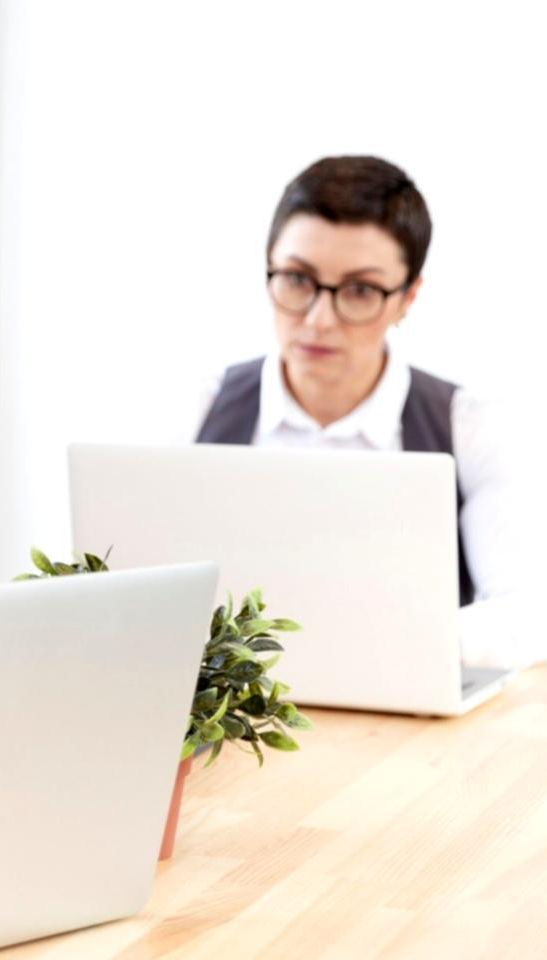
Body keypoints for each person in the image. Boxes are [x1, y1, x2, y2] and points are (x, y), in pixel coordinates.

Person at [197, 155, 546, 668]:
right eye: (297, 279)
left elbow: (527, 611)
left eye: (359, 290)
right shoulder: (200, 406)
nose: (318, 320)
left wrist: (379, 649)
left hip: (409, 724)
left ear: (407, 298)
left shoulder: (468, 425)